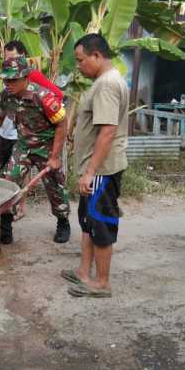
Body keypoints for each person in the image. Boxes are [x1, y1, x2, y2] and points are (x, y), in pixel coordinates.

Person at [62, 34, 128, 299]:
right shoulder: (104, 81)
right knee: (89, 221)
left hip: (101, 171)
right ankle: (83, 271)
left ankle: (101, 282)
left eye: (80, 60)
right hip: (96, 169)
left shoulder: (107, 85)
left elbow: (108, 131)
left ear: (97, 56)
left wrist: (90, 171)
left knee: (100, 223)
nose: (78, 66)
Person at [0, 41, 70, 240]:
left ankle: (62, 222)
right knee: (9, 181)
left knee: (55, 186)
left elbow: (62, 124)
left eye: (13, 80)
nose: (8, 84)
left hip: (46, 147)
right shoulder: (6, 96)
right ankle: (6, 225)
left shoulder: (44, 97)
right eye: (6, 80)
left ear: (25, 78)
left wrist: (55, 156)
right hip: (23, 145)